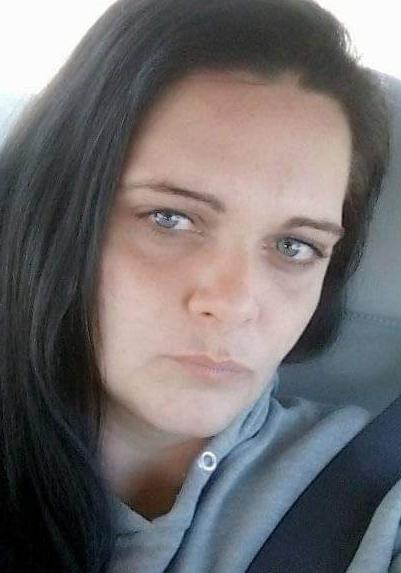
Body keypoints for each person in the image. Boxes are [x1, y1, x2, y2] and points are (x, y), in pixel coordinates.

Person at [0, 0, 392, 571]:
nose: (234, 304)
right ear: (53, 212)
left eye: (294, 247)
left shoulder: (376, 491)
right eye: (170, 218)